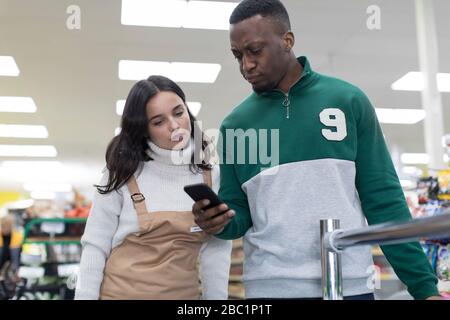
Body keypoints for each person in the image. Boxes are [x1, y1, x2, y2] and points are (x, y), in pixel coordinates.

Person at [192, 0, 441, 300]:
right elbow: (240, 213)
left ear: (287, 40)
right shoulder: (236, 125)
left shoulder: (347, 101)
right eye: (238, 55)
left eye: (254, 51)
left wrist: (423, 288)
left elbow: (383, 200)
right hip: (270, 288)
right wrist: (219, 222)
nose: (246, 65)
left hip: (350, 285)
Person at [75, 75, 232, 300]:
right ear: (143, 129)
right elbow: (95, 247)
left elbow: (216, 251)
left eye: (179, 112)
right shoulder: (122, 171)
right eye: (159, 122)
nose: (175, 125)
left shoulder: (210, 175)